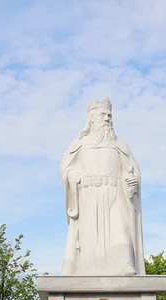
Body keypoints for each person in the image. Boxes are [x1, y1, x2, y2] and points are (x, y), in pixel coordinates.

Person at [61, 98, 144, 276]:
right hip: (88, 197)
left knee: (121, 232)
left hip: (115, 195)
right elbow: (66, 169)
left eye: (109, 115)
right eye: (103, 115)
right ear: (91, 118)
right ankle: (85, 270)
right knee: (88, 239)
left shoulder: (119, 145)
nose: (107, 119)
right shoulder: (78, 145)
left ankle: (124, 264)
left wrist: (133, 181)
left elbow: (133, 171)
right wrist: (71, 175)